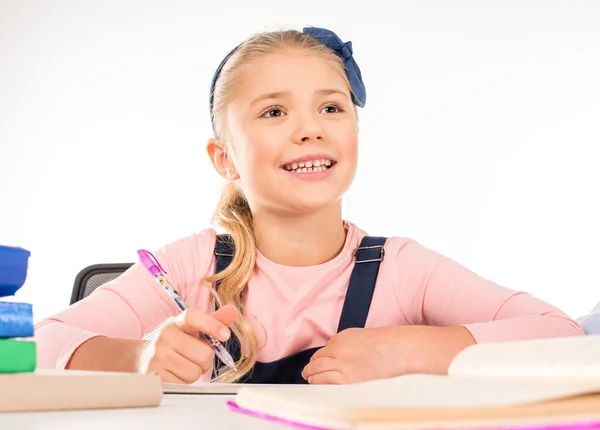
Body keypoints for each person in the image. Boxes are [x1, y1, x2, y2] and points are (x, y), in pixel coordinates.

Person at [34, 26, 583, 385]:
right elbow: (40, 344)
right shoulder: (188, 266)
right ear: (224, 158)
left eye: (331, 107)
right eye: (274, 113)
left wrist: (407, 350)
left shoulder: (402, 269)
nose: (309, 130)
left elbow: (558, 331)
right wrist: (140, 357)